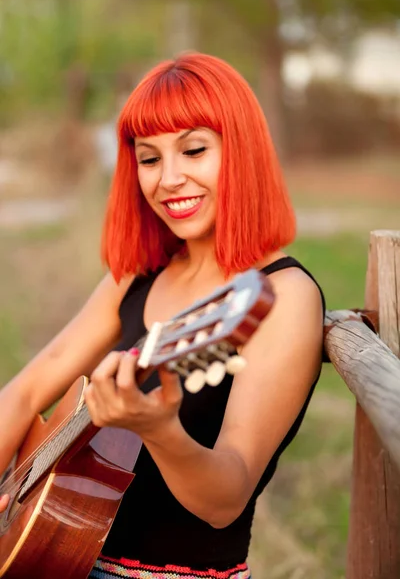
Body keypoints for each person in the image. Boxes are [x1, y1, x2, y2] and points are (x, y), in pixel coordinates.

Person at [0, 52, 325, 578]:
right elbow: (27, 390)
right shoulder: (139, 275)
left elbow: (226, 500)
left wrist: (158, 428)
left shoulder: (284, 297)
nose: (168, 178)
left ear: (241, 152)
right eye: (149, 159)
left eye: (193, 150)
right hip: (49, 558)